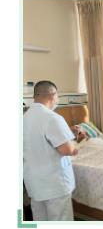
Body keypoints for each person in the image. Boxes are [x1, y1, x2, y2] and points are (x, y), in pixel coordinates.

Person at [23, 81, 78, 221]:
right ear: (53, 95)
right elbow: (68, 150)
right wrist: (74, 142)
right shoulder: (52, 117)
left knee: (40, 220)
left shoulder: (24, 118)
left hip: (35, 184)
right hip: (54, 186)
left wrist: (67, 132)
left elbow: (38, 139)